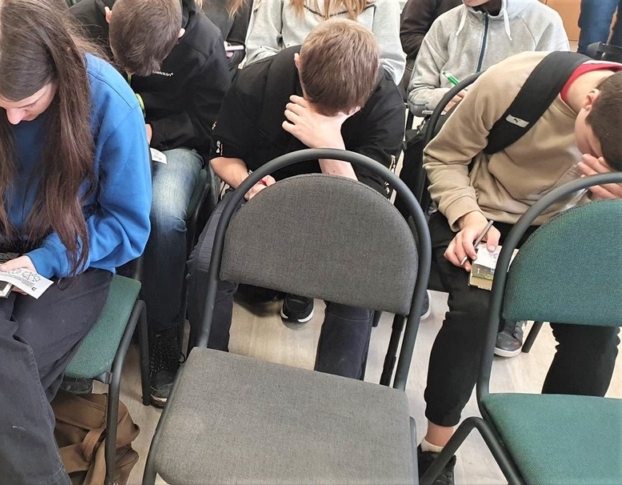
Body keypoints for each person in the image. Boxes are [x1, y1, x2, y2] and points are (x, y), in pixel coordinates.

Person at [0, 0, 151, 481]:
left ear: (59, 70)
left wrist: (48, 259)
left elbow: (127, 225)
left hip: (76, 257)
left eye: (28, 104)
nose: (13, 119)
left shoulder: (110, 99)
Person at [417, 51, 622, 485]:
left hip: (567, 226)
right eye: (594, 152)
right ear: (589, 103)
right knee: (477, 312)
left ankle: (555, 452)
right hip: (485, 218)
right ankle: (436, 447)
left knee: (597, 335)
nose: (591, 163)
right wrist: (468, 216)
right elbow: (443, 156)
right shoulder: (513, 84)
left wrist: (613, 203)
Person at [186, 19, 404, 379]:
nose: (320, 115)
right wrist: (248, 183)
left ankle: (336, 391)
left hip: (343, 210)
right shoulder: (257, 80)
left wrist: (329, 142)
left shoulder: (385, 103)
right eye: (315, 103)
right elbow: (223, 157)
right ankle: (206, 371)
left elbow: (365, 208)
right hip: (262, 195)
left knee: (358, 289)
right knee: (206, 264)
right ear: (299, 64)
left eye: (342, 111)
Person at [70, 0, 230, 404]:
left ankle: (162, 334)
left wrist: (151, 131)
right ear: (109, 17)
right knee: (75, 196)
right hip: (94, 134)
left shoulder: (203, 42)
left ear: (177, 36)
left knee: (163, 212)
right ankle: (81, 320)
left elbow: (207, 123)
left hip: (170, 143)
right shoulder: (81, 21)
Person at [407, 0, 569, 118]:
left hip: (513, 139)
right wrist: (443, 99)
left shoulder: (545, 23)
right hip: (447, 133)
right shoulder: (445, 23)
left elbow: (556, 103)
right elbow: (416, 95)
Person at [244, 0, 406, 84]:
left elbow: (390, 67)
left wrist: (344, 84)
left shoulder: (383, 3)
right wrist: (300, 78)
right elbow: (257, 53)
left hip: (354, 105)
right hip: (288, 95)